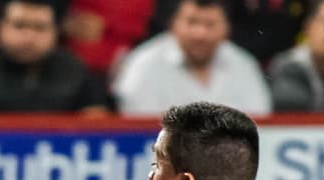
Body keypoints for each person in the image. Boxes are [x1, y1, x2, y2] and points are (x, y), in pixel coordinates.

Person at [0, 0, 107, 116]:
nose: (29, 36)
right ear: (0, 28)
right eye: (19, 25)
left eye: (40, 28)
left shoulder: (74, 70)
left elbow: (98, 126)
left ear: (55, 33)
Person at [112, 0, 270, 116]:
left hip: (231, 157)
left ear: (227, 29)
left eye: (210, 24)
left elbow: (258, 121)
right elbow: (138, 126)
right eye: (192, 22)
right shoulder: (144, 64)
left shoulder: (243, 64)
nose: (200, 34)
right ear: (173, 24)